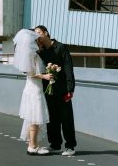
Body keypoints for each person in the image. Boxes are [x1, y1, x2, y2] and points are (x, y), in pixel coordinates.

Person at [34, 25, 77, 156]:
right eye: (35, 34)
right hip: (47, 88)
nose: (38, 36)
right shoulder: (40, 51)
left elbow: (69, 68)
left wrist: (71, 88)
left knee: (66, 117)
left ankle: (70, 146)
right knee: (52, 117)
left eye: (39, 33)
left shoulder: (61, 47)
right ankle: (55, 144)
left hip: (63, 88)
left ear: (46, 33)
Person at [13, 29, 54, 155]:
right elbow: (32, 74)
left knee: (32, 119)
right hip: (35, 89)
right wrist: (45, 76)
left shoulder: (29, 55)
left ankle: (32, 144)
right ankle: (33, 145)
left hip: (30, 88)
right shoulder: (33, 55)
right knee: (35, 119)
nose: (38, 40)